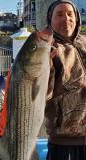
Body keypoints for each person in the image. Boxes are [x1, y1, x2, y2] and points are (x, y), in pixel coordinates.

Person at [45, 0, 86, 160]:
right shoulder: (48, 49)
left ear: (77, 18)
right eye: (59, 14)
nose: (66, 18)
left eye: (70, 14)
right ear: (50, 20)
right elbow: (41, 94)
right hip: (63, 142)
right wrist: (45, 65)